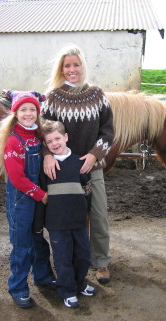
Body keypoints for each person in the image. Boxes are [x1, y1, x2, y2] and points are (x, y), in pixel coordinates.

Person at [41, 44, 114, 284]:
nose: (72, 69)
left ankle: (101, 261)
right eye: (67, 65)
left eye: (76, 65)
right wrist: (47, 155)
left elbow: (107, 132)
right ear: (61, 69)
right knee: (67, 218)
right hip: (63, 171)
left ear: (82, 66)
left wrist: (94, 155)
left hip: (91, 168)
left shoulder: (97, 94)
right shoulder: (53, 97)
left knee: (99, 215)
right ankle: (69, 263)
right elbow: (42, 132)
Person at [2, 90, 56, 309]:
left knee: (38, 238)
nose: (28, 113)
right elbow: (17, 178)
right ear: (15, 113)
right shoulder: (13, 141)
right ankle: (18, 286)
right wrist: (41, 194)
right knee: (22, 243)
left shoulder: (37, 136)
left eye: (32, 109)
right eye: (23, 109)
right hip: (21, 200)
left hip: (35, 198)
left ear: (38, 112)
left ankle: (42, 276)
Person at [34, 120, 96, 308]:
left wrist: (86, 213)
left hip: (78, 221)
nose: (54, 143)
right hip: (57, 224)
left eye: (57, 138)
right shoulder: (46, 168)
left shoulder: (79, 163)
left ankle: (80, 283)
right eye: (49, 141)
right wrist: (39, 223)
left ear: (66, 137)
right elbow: (42, 198)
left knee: (83, 256)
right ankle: (67, 290)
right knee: (63, 259)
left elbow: (87, 190)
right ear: (45, 145)